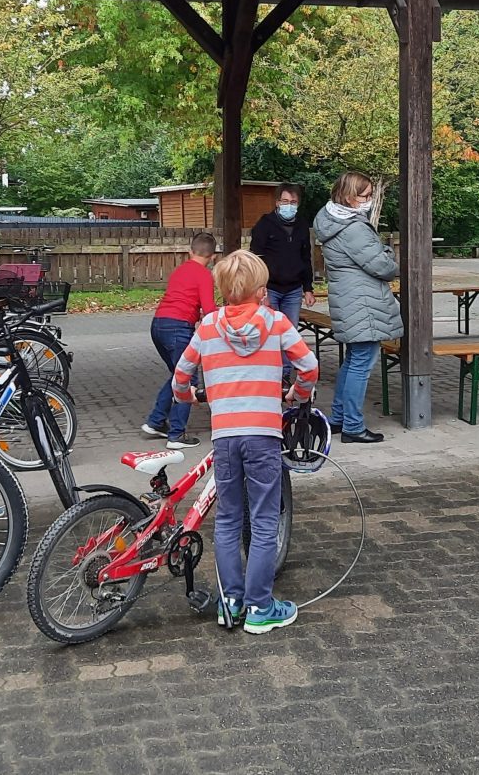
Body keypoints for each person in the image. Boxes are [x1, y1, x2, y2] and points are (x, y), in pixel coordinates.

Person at [170, 250, 316, 633]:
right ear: (262, 290)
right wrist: (297, 395)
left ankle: (230, 602)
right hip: (264, 436)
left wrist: (191, 398)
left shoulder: (207, 327)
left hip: (226, 438)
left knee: (229, 519)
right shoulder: (278, 322)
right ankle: (260, 607)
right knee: (265, 520)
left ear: (221, 289)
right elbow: (309, 367)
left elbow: (180, 377)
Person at [312, 171, 401, 444]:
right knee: (361, 364)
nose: (370, 199)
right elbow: (384, 267)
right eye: (366, 195)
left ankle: (339, 419)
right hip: (363, 304)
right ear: (350, 198)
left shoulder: (332, 222)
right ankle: (353, 425)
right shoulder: (353, 228)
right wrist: (388, 252)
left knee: (352, 362)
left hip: (349, 301)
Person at [141, 231, 217, 449]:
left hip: (158, 325)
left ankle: (156, 422)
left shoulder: (180, 270)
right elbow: (209, 310)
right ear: (212, 257)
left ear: (190, 251)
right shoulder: (204, 275)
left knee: (178, 374)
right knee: (187, 379)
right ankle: (176, 435)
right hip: (178, 328)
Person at [249, 182, 316, 347]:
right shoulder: (264, 224)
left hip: (293, 290)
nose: (289, 206)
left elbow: (305, 257)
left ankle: (286, 372)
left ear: (298, 204)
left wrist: (308, 289)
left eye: (293, 202)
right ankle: (273, 370)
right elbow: (255, 259)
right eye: (285, 202)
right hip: (270, 288)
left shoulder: (301, 226)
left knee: (290, 333)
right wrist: (260, 289)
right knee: (270, 332)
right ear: (277, 202)